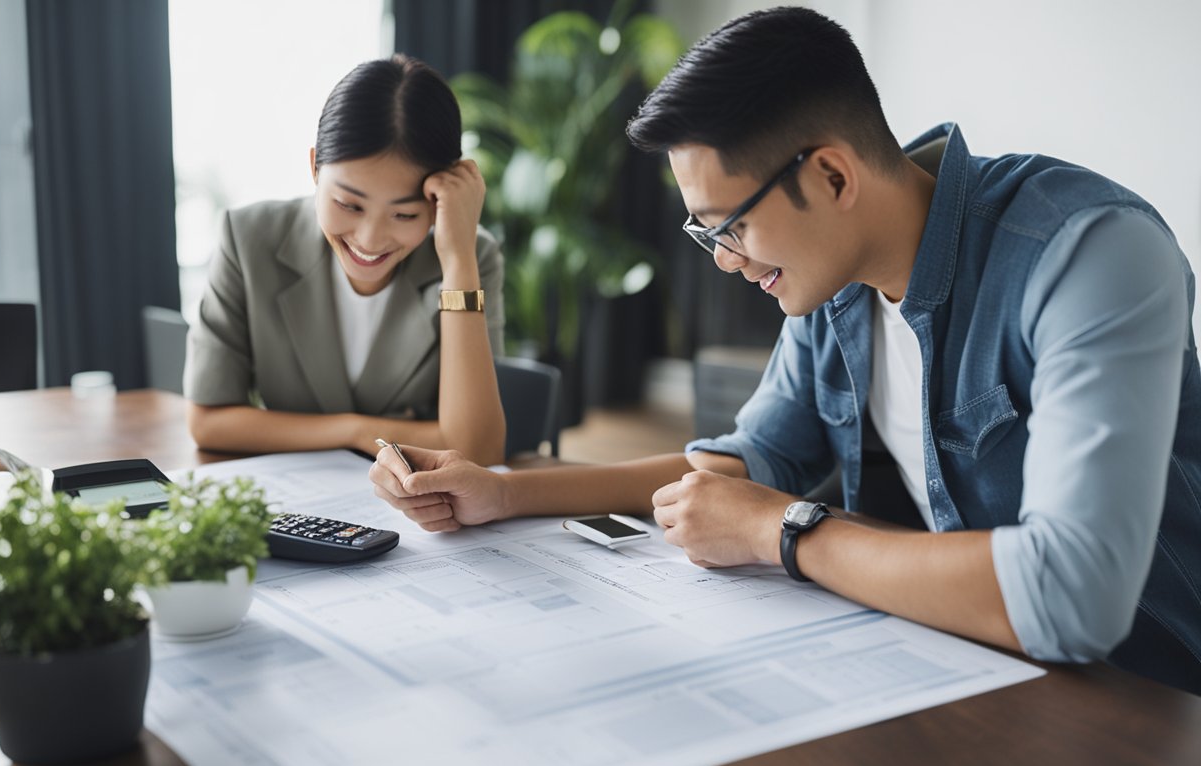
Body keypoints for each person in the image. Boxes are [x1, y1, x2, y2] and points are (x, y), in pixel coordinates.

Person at [369, 8, 1201, 693]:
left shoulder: (1089, 254)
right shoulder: (833, 285)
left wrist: (790, 533)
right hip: (972, 675)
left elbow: (1075, 598)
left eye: (730, 227)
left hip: (1148, 702)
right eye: (706, 233)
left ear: (834, 178)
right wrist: (503, 493)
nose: (725, 260)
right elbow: (745, 467)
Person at [185, 56, 507, 465]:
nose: (370, 239)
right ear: (315, 167)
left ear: (438, 201)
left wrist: (458, 260)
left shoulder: (472, 256)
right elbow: (208, 420)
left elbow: (478, 450)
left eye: (405, 214)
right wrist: (357, 430)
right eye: (348, 205)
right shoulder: (249, 239)